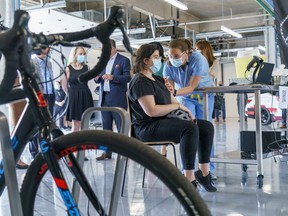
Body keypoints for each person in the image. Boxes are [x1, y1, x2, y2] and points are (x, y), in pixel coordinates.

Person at [128, 43, 216, 192]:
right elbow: (152, 111)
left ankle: (203, 173)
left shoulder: (159, 80)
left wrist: (184, 110)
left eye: (159, 58)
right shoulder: (139, 81)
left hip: (164, 122)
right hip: (147, 128)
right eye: (155, 57)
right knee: (188, 128)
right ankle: (189, 179)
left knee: (206, 126)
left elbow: (173, 101)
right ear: (145, 60)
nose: (159, 61)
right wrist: (178, 107)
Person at [94, 39, 131, 160]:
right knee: (106, 129)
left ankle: (123, 152)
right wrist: (96, 77)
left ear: (113, 48)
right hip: (104, 97)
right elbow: (97, 79)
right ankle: (106, 153)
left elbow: (127, 77)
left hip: (117, 98)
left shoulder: (124, 60)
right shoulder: (102, 61)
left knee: (121, 127)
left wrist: (113, 77)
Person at [163, 38, 214, 121]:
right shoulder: (168, 66)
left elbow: (191, 87)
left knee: (204, 124)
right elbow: (170, 89)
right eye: (170, 56)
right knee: (187, 121)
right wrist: (171, 92)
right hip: (185, 96)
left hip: (203, 95)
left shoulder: (198, 59)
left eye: (176, 56)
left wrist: (174, 92)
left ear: (186, 52)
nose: (173, 59)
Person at [62, 46, 94, 132]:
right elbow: (64, 86)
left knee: (85, 123)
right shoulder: (68, 69)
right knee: (76, 124)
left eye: (84, 54)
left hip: (85, 95)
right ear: (75, 55)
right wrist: (70, 96)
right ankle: (75, 144)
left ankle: (85, 144)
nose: (82, 56)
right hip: (74, 97)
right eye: (80, 54)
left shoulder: (87, 68)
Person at [31, 47, 55, 116]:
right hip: (40, 94)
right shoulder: (32, 62)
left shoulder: (49, 62)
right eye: (44, 49)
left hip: (50, 92)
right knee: (43, 115)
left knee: (51, 114)